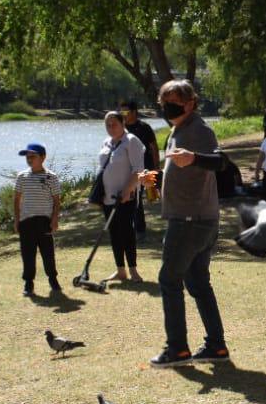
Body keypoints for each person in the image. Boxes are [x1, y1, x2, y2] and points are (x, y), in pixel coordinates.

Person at [150, 79, 230, 367]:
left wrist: (194, 158)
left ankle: (177, 349)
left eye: (174, 102)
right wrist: (155, 178)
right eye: (164, 102)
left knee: (169, 280)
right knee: (197, 282)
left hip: (190, 221)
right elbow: (180, 168)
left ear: (191, 103)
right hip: (197, 219)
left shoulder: (199, 129)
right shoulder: (177, 131)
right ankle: (216, 347)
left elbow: (220, 162)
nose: (167, 107)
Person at [95, 111, 144, 284]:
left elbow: (138, 170)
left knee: (126, 232)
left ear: (123, 123)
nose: (110, 127)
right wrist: (98, 192)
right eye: (107, 124)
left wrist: (126, 191)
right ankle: (120, 270)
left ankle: (133, 270)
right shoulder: (106, 142)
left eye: (114, 123)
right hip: (107, 197)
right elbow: (102, 168)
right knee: (114, 233)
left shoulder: (131, 141)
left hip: (125, 197)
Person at [13, 142, 62, 298]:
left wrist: (54, 219)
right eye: (27, 157)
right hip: (26, 221)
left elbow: (56, 201)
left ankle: (53, 279)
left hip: (44, 221)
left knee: (48, 253)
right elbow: (16, 200)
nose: (29, 159)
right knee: (27, 254)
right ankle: (29, 283)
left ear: (43, 157)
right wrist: (17, 220)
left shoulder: (51, 177)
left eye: (33, 156)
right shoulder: (22, 176)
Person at [120, 101, 161, 239]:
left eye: (125, 112)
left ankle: (140, 230)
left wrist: (156, 167)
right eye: (121, 112)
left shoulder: (144, 127)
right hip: (127, 169)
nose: (123, 115)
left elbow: (154, 147)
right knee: (129, 198)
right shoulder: (121, 129)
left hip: (144, 168)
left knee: (138, 197)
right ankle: (130, 227)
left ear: (134, 112)